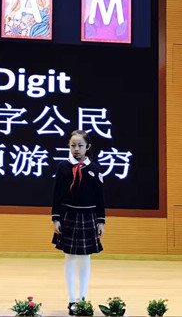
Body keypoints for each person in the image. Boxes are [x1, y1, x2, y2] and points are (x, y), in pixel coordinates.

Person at [51, 129, 105, 316]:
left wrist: (101, 221)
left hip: (88, 217)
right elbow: (56, 195)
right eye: (73, 145)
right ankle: (72, 300)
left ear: (87, 146)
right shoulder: (63, 167)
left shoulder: (94, 169)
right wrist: (56, 218)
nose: (76, 149)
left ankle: (83, 299)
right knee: (70, 258)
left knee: (85, 259)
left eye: (80, 145)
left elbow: (100, 197)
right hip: (68, 216)